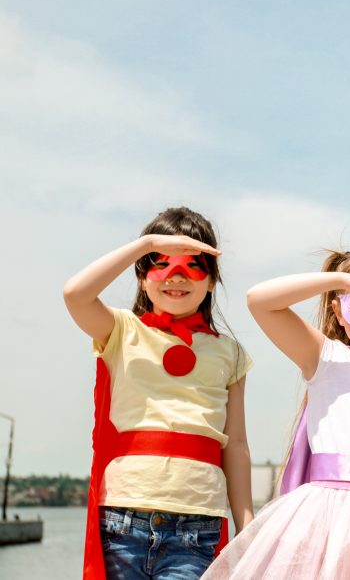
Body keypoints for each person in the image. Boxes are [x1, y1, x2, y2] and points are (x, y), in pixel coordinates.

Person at [204, 248, 350, 579]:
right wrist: (340, 279)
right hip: (325, 517)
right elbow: (259, 300)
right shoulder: (324, 357)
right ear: (338, 312)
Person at [63, 207, 253, 580]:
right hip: (123, 519)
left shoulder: (230, 353)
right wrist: (146, 243)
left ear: (212, 280)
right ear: (142, 278)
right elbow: (75, 294)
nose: (175, 277)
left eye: (192, 266)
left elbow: (237, 445)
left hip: (197, 526)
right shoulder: (120, 330)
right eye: (160, 264)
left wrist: (247, 524)